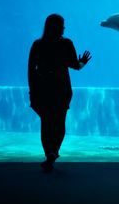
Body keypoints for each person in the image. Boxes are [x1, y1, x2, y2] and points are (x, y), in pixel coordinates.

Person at [28, 14, 91, 171]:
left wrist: (32, 90)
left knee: (46, 123)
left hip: (43, 89)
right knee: (59, 122)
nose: (64, 28)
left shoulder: (38, 44)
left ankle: (49, 153)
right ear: (57, 27)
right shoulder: (66, 44)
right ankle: (54, 152)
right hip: (61, 88)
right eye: (62, 25)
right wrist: (83, 61)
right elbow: (75, 66)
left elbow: (31, 70)